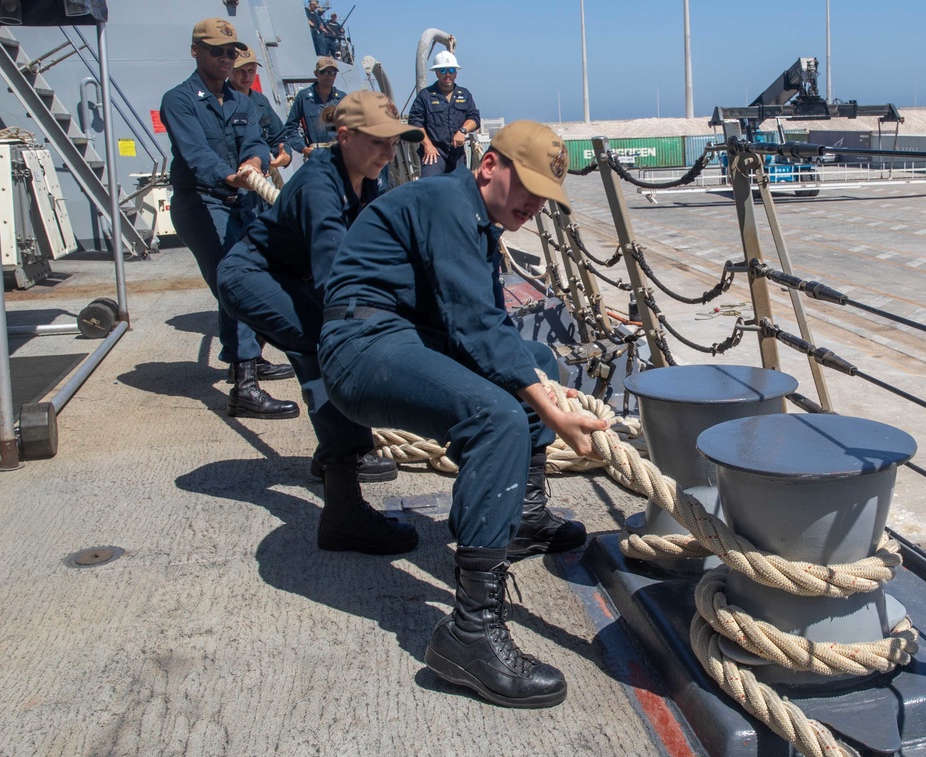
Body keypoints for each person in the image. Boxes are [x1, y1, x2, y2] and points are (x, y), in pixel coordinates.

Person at [318, 120, 609, 708]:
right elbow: (474, 326)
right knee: (497, 416)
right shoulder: (448, 202)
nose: (532, 205)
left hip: (404, 334)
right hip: (361, 346)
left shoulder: (475, 218)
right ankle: (471, 633)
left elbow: (485, 327)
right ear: (488, 166)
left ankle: (522, 518)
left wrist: (536, 380)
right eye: (525, 187)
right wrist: (551, 410)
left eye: (543, 198)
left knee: (533, 356)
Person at [217, 92, 424, 549]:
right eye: (379, 142)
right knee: (326, 347)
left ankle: (332, 460)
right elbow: (337, 279)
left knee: (320, 346)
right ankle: (343, 510)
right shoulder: (319, 184)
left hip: (291, 276)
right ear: (345, 136)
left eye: (395, 143)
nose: (389, 153)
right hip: (251, 276)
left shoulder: (366, 181)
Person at [160, 18, 298, 420]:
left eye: (231, 51)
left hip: (242, 199)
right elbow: (194, 153)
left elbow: (255, 141)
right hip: (201, 203)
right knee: (233, 280)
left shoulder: (242, 99)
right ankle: (244, 388)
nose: (226, 58)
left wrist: (253, 164)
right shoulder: (180, 100)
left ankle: (249, 360)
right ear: (195, 51)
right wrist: (229, 175)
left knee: (262, 272)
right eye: (216, 50)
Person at [407, 50, 480, 178]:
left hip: (457, 153)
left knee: (460, 188)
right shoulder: (425, 96)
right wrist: (428, 145)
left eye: (451, 70)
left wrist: (462, 131)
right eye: (443, 71)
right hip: (434, 153)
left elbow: (474, 118)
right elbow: (414, 122)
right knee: (430, 187)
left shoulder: (465, 94)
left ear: (456, 73)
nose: (447, 75)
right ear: (436, 73)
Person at [229, 47, 292, 173]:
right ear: (229, 70)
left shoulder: (261, 101)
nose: (246, 76)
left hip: (257, 178)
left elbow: (278, 136)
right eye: (240, 71)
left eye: (251, 70)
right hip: (233, 176)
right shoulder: (220, 101)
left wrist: (285, 154)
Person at [285, 57, 346, 160]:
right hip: (316, 156)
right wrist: (303, 148)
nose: (329, 76)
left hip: (340, 155)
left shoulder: (342, 98)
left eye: (333, 73)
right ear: (316, 73)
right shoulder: (304, 97)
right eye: (324, 72)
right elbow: (290, 127)